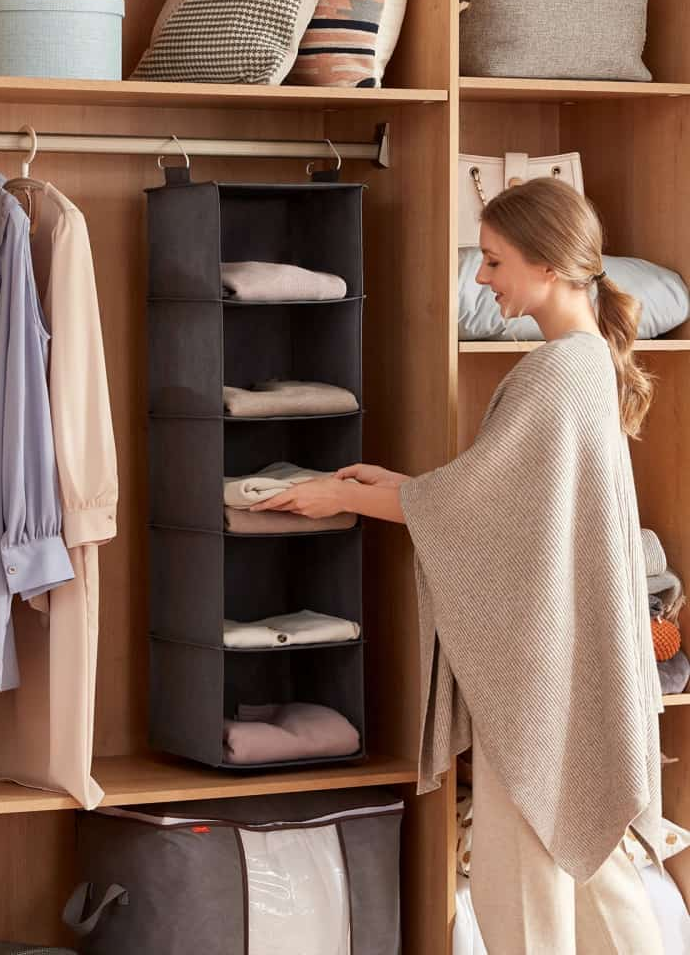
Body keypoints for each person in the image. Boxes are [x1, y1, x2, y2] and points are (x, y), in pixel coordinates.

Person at [252, 178, 665, 954]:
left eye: (495, 261)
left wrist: (332, 493)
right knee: (589, 873)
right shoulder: (586, 363)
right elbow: (508, 507)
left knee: (530, 881)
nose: (481, 278)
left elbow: (474, 512)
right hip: (572, 668)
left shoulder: (555, 374)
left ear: (546, 266)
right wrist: (395, 487)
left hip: (543, 678)